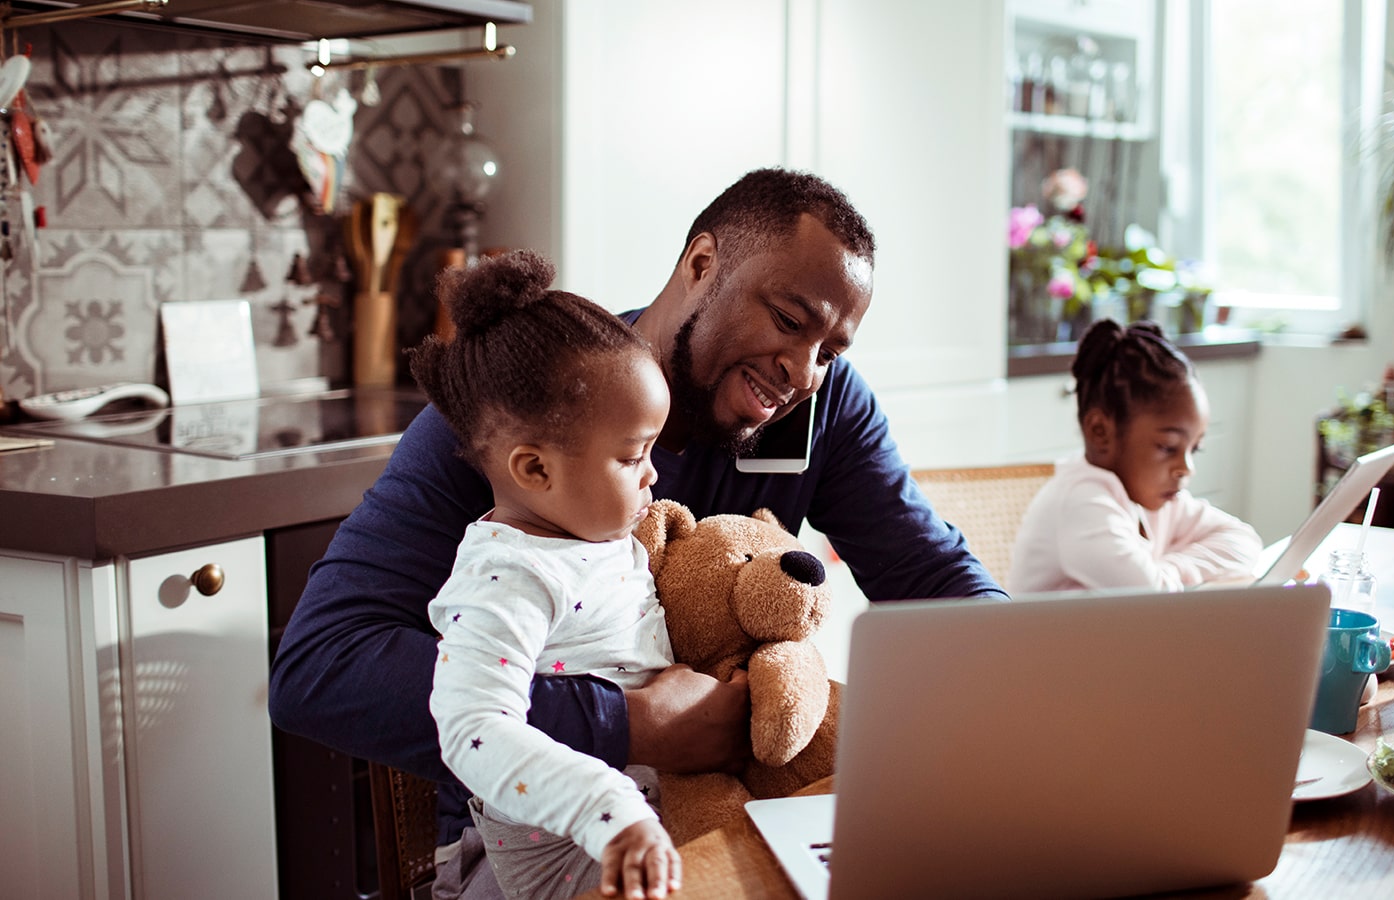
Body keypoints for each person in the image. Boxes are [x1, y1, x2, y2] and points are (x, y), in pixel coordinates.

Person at [268, 167, 1003, 899]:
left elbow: (932, 579)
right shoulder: (526, 414)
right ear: (702, 264)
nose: (804, 372)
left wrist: (1043, 676)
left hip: (719, 821)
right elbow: (320, 669)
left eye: (831, 350)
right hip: (550, 853)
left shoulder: (824, 409)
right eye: (787, 318)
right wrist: (625, 723)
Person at [414, 251, 680, 899]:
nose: (653, 475)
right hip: (560, 860)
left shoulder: (597, 537)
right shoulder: (506, 575)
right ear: (535, 471)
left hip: (644, 829)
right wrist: (607, 811)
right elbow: (474, 727)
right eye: (632, 456)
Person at [1008, 319, 1262, 593]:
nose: (1186, 468)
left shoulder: (1155, 499)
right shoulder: (1081, 502)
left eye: (1194, 449)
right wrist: (1168, 575)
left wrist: (1171, 569)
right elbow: (1152, 596)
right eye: (1168, 447)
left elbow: (1244, 541)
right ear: (1100, 431)